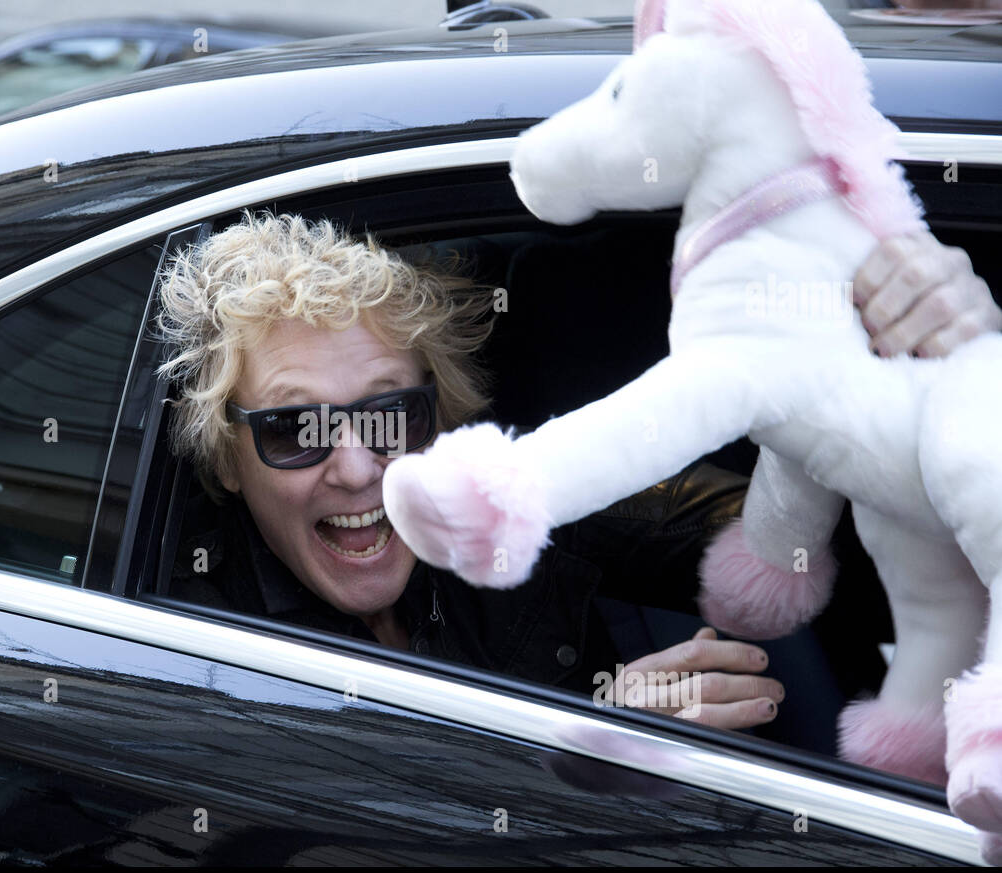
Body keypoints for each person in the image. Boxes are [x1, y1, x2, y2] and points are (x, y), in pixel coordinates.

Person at [155, 211, 1002, 736]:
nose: (356, 468)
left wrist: (921, 374)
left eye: (390, 416)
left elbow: (764, 537)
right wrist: (591, 743)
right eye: (295, 429)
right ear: (229, 458)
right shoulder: (198, 662)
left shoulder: (484, 505)